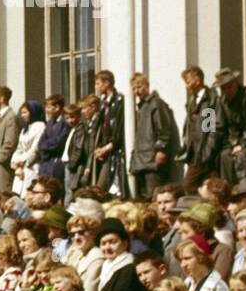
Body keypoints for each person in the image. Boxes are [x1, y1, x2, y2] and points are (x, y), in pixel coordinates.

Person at [129, 72, 179, 201]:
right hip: (142, 159)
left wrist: (161, 150)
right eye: (134, 88)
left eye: (139, 87)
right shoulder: (142, 107)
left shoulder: (156, 104)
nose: (136, 91)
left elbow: (164, 129)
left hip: (151, 159)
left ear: (147, 85)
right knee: (144, 197)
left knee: (154, 194)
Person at [213, 69, 246, 186]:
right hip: (230, 140)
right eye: (223, 88)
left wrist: (242, 144)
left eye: (228, 87)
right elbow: (219, 126)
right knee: (224, 156)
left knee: (242, 157)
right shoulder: (219, 100)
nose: (226, 91)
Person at [181, 65, 220, 193]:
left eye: (188, 82)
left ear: (197, 80)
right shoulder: (193, 100)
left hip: (204, 154)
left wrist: (207, 152)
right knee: (209, 188)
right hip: (195, 153)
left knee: (189, 186)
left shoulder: (209, 100)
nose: (186, 86)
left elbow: (210, 129)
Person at [91, 70, 127, 196]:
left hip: (114, 152)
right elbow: (100, 128)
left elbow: (120, 128)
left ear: (107, 83)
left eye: (98, 83)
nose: (96, 87)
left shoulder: (119, 102)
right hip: (104, 151)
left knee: (102, 188)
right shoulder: (104, 103)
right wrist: (99, 147)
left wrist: (108, 147)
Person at [10, 101, 45, 198]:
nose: (23, 115)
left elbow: (35, 149)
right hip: (20, 168)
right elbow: (19, 148)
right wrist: (16, 163)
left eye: (25, 112)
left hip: (31, 167)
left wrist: (22, 163)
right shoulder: (24, 129)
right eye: (22, 113)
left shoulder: (40, 126)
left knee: (28, 194)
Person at [64, 214, 104, 291]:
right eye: (72, 234)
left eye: (81, 232)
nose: (76, 237)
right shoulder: (74, 254)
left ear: (93, 233)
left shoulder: (97, 258)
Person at [36, 94, 68, 185]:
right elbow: (40, 143)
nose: (47, 110)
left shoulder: (65, 123)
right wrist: (45, 147)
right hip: (46, 163)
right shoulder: (49, 123)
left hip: (57, 163)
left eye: (49, 107)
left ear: (57, 107)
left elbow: (58, 143)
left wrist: (46, 146)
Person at [60, 103, 87, 203]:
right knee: (68, 191)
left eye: (72, 117)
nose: (70, 120)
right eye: (67, 118)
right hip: (68, 164)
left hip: (73, 166)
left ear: (79, 116)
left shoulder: (80, 129)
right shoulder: (73, 129)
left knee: (71, 192)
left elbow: (78, 149)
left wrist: (72, 165)